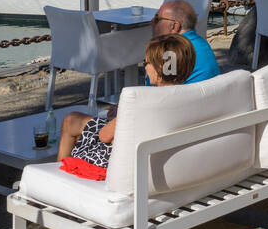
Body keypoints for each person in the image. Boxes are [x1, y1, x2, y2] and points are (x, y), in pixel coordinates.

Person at [57, 34, 196, 180]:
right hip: (164, 157)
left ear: (160, 67)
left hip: (128, 161)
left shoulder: (142, 101)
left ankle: (58, 178)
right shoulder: (193, 95)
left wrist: (121, 115)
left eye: (146, 63)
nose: (145, 68)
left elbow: (104, 136)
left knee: (71, 121)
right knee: (73, 119)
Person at [149, 0, 220, 83]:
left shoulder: (171, 52)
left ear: (174, 26)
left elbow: (162, 90)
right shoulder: (202, 43)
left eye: (157, 19)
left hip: (184, 95)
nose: (151, 22)